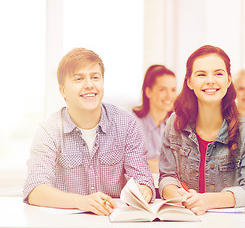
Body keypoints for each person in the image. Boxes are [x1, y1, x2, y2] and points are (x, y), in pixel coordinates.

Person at [23, 48, 155, 216]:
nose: (89, 85)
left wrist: (143, 190)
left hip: (114, 220)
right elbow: (35, 190)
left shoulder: (126, 124)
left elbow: (143, 179)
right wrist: (80, 202)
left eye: (95, 77)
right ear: (63, 91)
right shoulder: (49, 130)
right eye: (79, 79)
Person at [158, 45, 245, 215]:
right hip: (185, 218)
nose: (210, 80)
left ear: (228, 81)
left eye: (218, 73)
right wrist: (179, 197)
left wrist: (206, 201)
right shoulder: (174, 124)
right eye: (201, 74)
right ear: (189, 82)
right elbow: (167, 177)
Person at [132, 65, 177, 174]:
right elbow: (133, 164)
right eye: (162, 89)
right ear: (148, 92)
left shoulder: (176, 125)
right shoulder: (133, 124)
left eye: (173, 90)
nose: (169, 96)